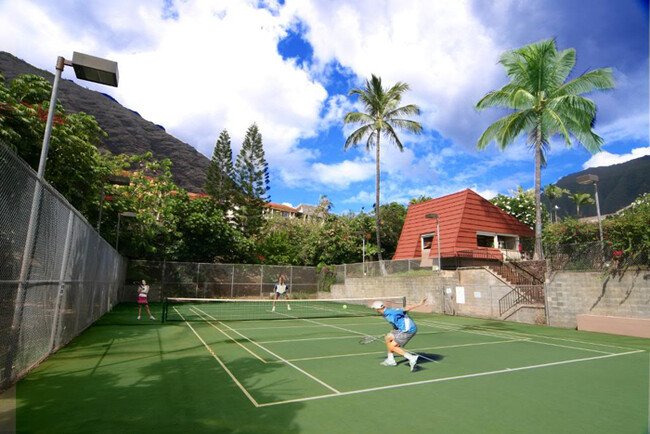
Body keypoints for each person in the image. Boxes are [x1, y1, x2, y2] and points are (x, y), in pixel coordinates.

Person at [371, 298, 427, 372]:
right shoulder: (385, 314)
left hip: (408, 330)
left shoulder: (392, 312)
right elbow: (396, 322)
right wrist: (394, 331)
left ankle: (411, 358)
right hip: (401, 329)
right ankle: (391, 360)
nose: (374, 310)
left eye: (374, 308)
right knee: (388, 337)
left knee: (392, 346)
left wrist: (420, 304)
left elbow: (406, 308)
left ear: (377, 309)